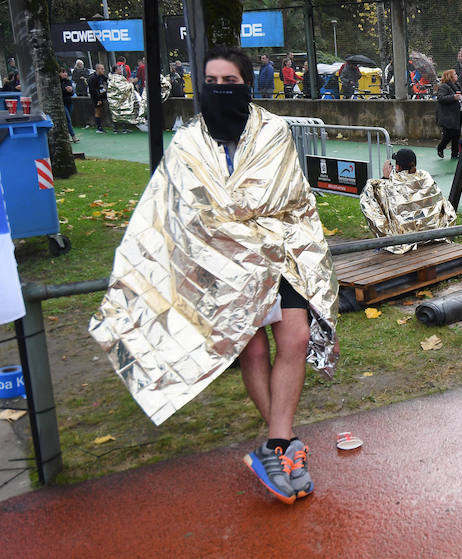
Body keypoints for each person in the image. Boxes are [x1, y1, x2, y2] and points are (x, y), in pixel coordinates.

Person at [89, 45, 338, 505]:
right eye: (213, 83)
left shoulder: (275, 133)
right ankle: (282, 444)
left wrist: (230, 216)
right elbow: (179, 208)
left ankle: (277, 444)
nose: (221, 90)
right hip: (220, 263)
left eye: (230, 83)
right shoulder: (186, 143)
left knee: (296, 339)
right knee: (253, 349)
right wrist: (227, 224)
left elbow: (282, 194)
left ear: (247, 85)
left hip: (279, 252)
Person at [360, 148, 457, 254]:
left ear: (397, 166)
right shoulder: (426, 178)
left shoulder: (388, 186)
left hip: (404, 244)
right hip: (435, 237)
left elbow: (370, 202)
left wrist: (384, 178)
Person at [435, 69, 462, 159]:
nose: (456, 75)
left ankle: (455, 154)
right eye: (454, 74)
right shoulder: (444, 87)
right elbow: (441, 98)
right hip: (448, 115)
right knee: (448, 135)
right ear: (450, 76)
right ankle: (440, 147)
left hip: (456, 115)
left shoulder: (456, 86)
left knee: (457, 134)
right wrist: (453, 97)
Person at [88, 63, 108, 133]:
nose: (103, 70)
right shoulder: (92, 78)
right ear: (97, 69)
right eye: (102, 69)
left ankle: (100, 126)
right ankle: (99, 127)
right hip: (96, 97)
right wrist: (98, 99)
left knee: (99, 110)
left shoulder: (101, 76)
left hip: (101, 95)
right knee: (97, 111)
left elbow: (108, 80)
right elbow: (92, 90)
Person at [59, 68, 78, 143]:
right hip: (62, 103)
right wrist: (65, 89)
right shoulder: (57, 82)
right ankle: (73, 136)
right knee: (68, 120)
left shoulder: (68, 81)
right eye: (62, 72)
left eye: (65, 72)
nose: (65, 74)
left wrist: (70, 90)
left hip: (69, 102)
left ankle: (66, 135)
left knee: (67, 120)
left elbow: (72, 93)